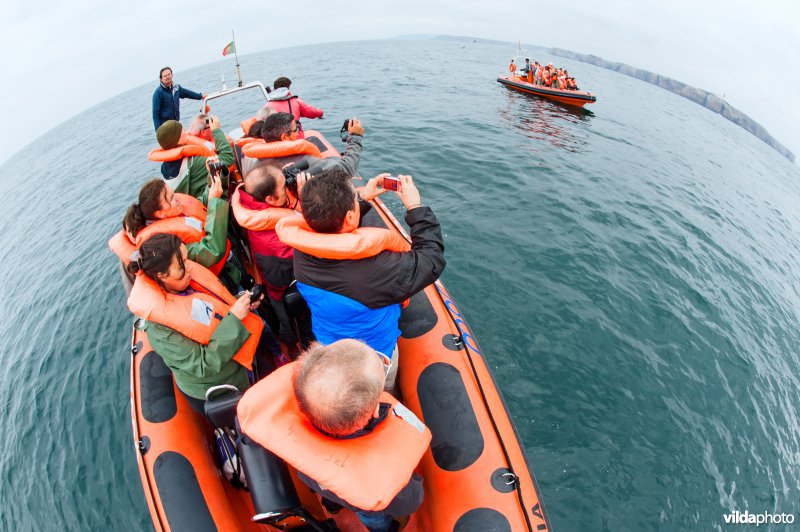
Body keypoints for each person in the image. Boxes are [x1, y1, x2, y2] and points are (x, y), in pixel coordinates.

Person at [275, 169, 446, 391]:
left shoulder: (303, 250)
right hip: (372, 358)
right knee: (381, 390)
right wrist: (415, 207)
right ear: (349, 217)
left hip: (329, 345)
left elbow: (330, 226)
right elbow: (432, 260)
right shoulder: (379, 270)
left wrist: (363, 199)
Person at [237, 339, 431, 532]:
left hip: (320, 481)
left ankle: (332, 504)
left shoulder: (293, 428)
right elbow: (411, 500)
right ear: (374, 411)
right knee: (376, 521)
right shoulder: (378, 474)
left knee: (330, 492)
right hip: (364, 504)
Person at [126, 233, 281, 414]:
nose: (189, 268)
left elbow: (213, 312)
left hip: (241, 357)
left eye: (186, 258)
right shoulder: (160, 329)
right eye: (181, 265)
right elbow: (203, 364)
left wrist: (242, 302)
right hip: (222, 382)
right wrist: (235, 318)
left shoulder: (187, 284)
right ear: (162, 275)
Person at [231, 162, 314, 354]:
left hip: (270, 276)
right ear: (271, 198)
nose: (288, 190)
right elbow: (310, 249)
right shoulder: (277, 239)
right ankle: (295, 346)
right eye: (284, 187)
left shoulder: (253, 208)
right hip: (281, 286)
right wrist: (306, 202)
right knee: (289, 318)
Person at [109, 177, 229, 275]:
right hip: (220, 274)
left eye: (173, 194)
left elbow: (199, 207)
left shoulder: (172, 212)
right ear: (159, 213)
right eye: (171, 198)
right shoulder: (162, 244)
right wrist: (215, 202)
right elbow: (210, 252)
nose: (177, 199)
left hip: (227, 256)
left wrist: (213, 178)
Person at [241, 112, 363, 178]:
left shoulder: (256, 161)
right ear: (284, 137)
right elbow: (347, 168)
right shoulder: (305, 162)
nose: (298, 133)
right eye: (296, 130)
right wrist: (355, 138)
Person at [151, 117, 235, 203]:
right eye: (182, 130)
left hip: (191, 201)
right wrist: (216, 130)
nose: (186, 132)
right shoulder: (192, 163)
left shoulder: (165, 167)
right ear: (178, 138)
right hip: (209, 204)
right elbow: (227, 158)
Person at [152, 67, 207, 131]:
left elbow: (187, 93)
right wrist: (158, 131)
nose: (167, 77)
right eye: (165, 76)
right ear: (161, 79)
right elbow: (155, 114)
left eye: (169, 74)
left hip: (176, 124)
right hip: (165, 127)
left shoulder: (176, 88)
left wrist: (200, 96)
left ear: (172, 75)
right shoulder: (158, 93)